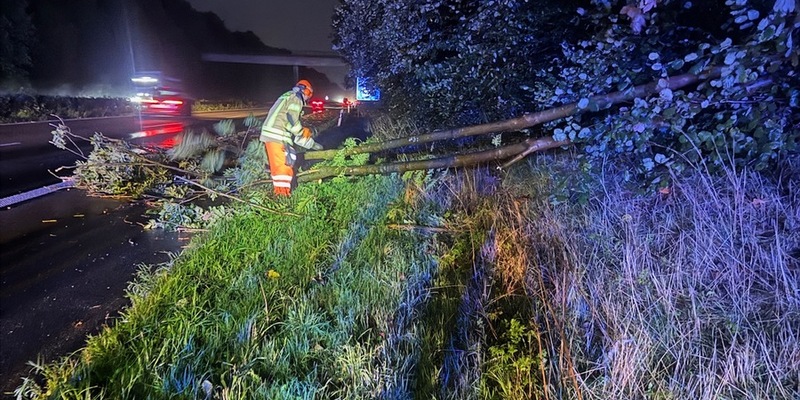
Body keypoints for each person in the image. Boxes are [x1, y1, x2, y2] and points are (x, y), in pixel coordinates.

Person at [260, 79, 323, 196]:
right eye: (309, 94)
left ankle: (279, 193)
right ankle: (283, 196)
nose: (308, 98)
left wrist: (299, 132)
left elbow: (288, 121)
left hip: (273, 134)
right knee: (284, 166)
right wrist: (301, 132)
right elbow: (292, 119)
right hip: (277, 135)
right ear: (305, 91)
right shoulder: (296, 98)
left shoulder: (288, 96)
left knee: (278, 167)